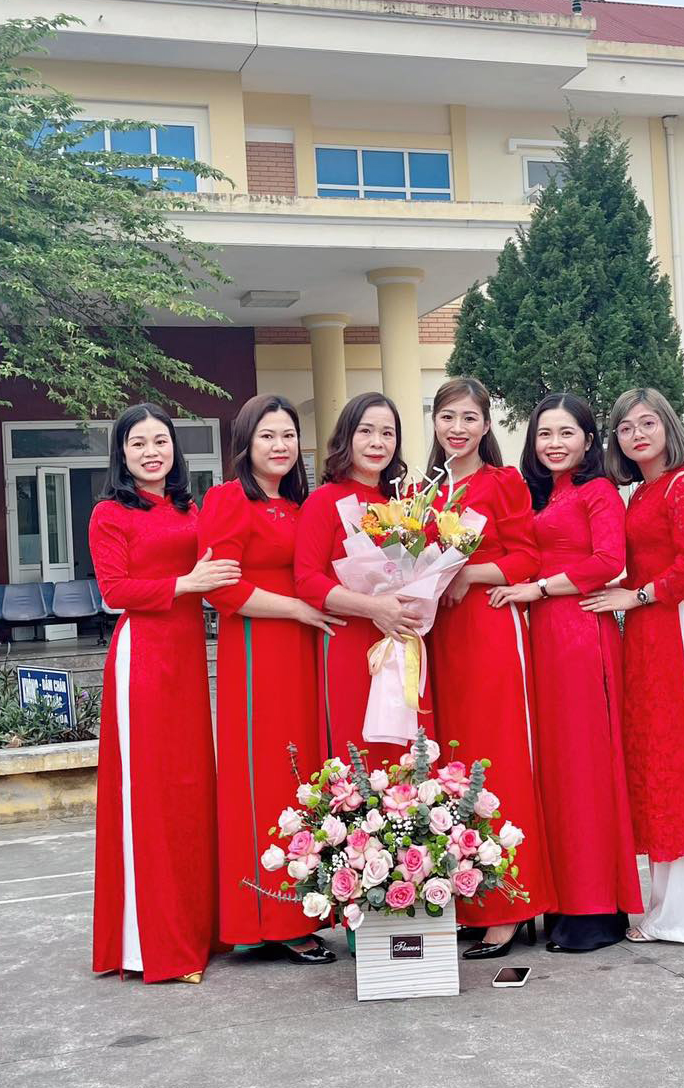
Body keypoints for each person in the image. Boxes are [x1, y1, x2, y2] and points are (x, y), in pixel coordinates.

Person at [583, 388, 684, 944]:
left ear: (669, 427)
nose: (637, 434)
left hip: (676, 630)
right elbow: (634, 569)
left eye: (647, 423)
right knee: (654, 759)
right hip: (645, 637)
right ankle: (666, 907)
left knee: (682, 755)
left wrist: (639, 596)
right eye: (625, 428)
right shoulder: (640, 494)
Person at [89, 403, 240, 984]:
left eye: (160, 441)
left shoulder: (189, 507)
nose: (151, 452)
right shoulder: (109, 513)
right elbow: (114, 591)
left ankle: (198, 928)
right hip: (144, 660)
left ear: (174, 448)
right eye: (138, 444)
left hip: (187, 659)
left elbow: (220, 565)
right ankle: (153, 943)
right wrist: (187, 583)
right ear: (121, 454)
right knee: (150, 794)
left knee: (191, 790)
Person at [490, 393, 644, 953]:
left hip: (580, 634)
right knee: (552, 769)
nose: (554, 444)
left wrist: (538, 588)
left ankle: (595, 909)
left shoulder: (598, 491)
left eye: (566, 433)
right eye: (544, 434)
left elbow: (609, 561)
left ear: (588, 440)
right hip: (540, 639)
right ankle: (559, 900)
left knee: (585, 766)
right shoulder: (538, 495)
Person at [199, 395, 343, 966]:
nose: (280, 446)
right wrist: (297, 609)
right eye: (267, 436)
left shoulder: (302, 504)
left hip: (308, 650)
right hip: (259, 650)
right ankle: (270, 917)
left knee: (307, 774)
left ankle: (308, 906)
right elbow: (222, 588)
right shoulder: (227, 500)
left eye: (288, 435)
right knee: (267, 776)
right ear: (245, 443)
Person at [423, 377, 557, 960]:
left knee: (497, 759)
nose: (458, 428)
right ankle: (471, 901)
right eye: (448, 417)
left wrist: (469, 573)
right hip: (439, 640)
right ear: (434, 423)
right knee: (452, 767)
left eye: (469, 418)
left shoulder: (503, 483)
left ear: (485, 426)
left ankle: (511, 907)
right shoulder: (422, 491)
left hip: (490, 630)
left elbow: (528, 556)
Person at [293, 392, 428, 766]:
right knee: (355, 744)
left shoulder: (406, 503)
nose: (377, 442)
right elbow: (307, 580)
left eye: (388, 433)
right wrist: (374, 607)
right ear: (347, 436)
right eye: (366, 431)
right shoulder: (323, 502)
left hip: (403, 638)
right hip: (349, 640)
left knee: (408, 751)